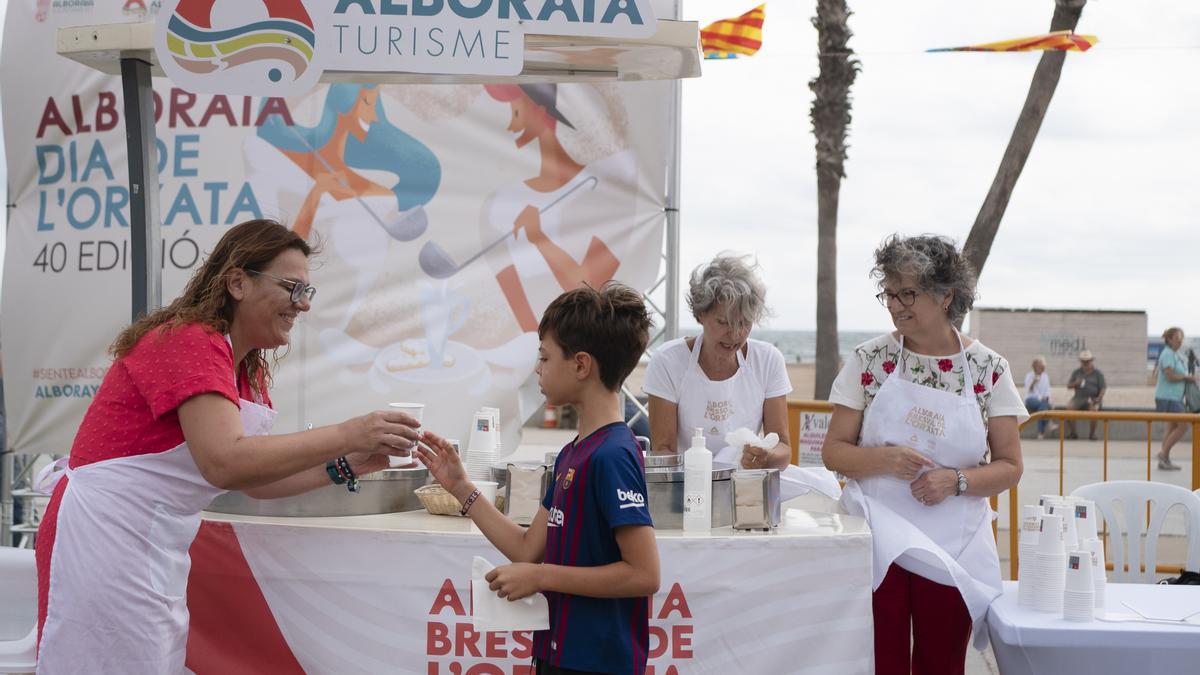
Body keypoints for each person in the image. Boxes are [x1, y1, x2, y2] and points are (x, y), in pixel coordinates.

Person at [34, 220, 435, 673]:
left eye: (308, 292)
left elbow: (257, 481)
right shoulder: (189, 340)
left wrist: (351, 464)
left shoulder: (245, 367)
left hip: (148, 541)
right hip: (103, 536)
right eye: (291, 287)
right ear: (238, 282)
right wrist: (348, 432)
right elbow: (224, 463)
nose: (301, 305)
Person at [416, 283, 660, 675]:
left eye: (545, 357)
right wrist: (461, 487)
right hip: (557, 653)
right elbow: (528, 549)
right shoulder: (572, 452)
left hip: (599, 662)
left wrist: (542, 576)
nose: (537, 368)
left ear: (581, 365)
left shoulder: (613, 454)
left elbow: (644, 574)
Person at [821, 235, 1026, 675]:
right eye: (889, 294)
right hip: (877, 540)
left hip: (954, 546)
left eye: (908, 293)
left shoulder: (989, 369)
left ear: (946, 295)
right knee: (882, 662)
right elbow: (833, 452)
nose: (896, 305)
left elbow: (1010, 466)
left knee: (942, 664)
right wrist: (883, 461)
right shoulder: (870, 360)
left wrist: (956, 481)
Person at [482, 84, 636, 334]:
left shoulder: (600, 190)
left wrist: (539, 238)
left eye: (517, 113)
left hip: (583, 342)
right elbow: (506, 278)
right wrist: (534, 339)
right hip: (539, 348)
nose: (511, 126)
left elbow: (587, 287)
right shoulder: (502, 203)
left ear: (542, 112)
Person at [643, 255, 792, 469]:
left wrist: (765, 455)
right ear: (700, 314)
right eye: (724, 322)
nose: (735, 334)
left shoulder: (768, 360)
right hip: (688, 483)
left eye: (745, 323)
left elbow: (783, 447)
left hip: (746, 486)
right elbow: (664, 449)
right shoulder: (667, 362)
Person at [1154, 327, 1197, 470]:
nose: (1180, 341)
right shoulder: (1167, 354)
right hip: (1168, 397)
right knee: (1183, 426)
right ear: (1169, 339)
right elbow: (1169, 376)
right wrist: (1186, 377)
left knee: (1172, 426)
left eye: (1181, 338)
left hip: (1175, 397)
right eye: (1177, 338)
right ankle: (1163, 454)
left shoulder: (1176, 354)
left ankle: (1164, 459)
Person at [1065, 350, 1106, 440]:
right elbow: (1068, 385)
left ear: (1091, 361)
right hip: (1079, 398)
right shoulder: (1077, 372)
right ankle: (1073, 433)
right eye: (1083, 361)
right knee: (1069, 408)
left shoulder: (1098, 374)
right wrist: (1076, 383)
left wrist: (1099, 398)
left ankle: (1092, 434)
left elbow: (1103, 388)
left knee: (1094, 410)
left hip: (1093, 398)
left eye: (1087, 361)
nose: (1085, 363)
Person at [1023, 356, 1057, 439]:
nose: (1041, 369)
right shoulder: (1029, 376)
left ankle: (1040, 434)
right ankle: (1048, 423)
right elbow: (1028, 390)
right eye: (1039, 367)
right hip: (1031, 399)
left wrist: (1048, 398)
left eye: (1042, 367)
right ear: (1035, 367)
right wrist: (1033, 382)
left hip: (1042, 401)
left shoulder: (1045, 376)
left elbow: (1048, 390)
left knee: (1041, 408)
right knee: (1043, 405)